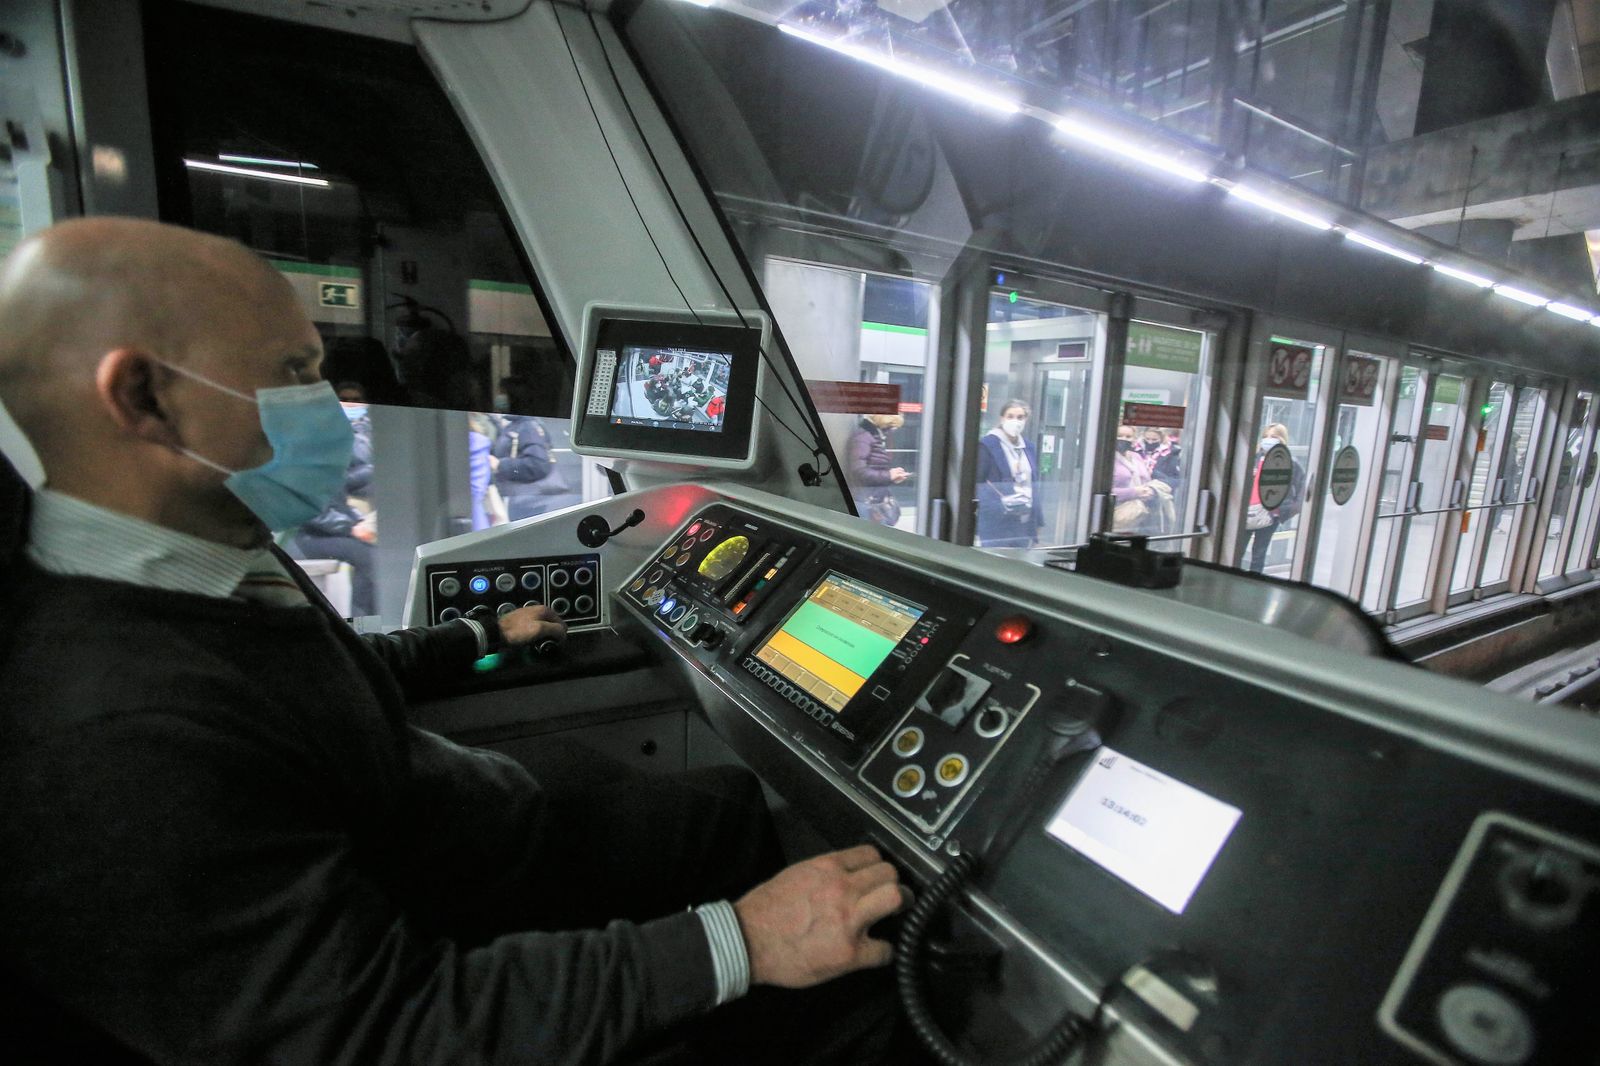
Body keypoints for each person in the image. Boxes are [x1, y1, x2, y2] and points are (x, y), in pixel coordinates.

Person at [0, 219, 909, 1065]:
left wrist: (478, 633)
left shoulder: (212, 550)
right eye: (290, 370)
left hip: (475, 840)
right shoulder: (112, 735)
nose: (332, 404)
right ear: (143, 397)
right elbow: (380, 1030)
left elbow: (335, 682)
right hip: (458, 943)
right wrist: (742, 943)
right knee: (879, 1017)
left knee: (726, 808)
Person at [293, 392, 378, 615]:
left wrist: (358, 521)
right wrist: (351, 528)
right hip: (304, 537)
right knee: (371, 557)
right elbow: (311, 512)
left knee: (374, 553)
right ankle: (365, 625)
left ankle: (368, 621)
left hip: (321, 532)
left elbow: (335, 502)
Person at [493, 377, 582, 520]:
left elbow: (538, 464)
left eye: (502, 392)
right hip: (523, 501)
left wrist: (500, 465)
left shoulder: (527, 427)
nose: (498, 397)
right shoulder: (515, 425)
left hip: (529, 502)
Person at [1242, 422, 1305, 573]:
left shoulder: (1290, 463)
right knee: (1237, 552)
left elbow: (1303, 487)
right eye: (1265, 437)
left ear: (1282, 439)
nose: (1268, 440)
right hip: (1247, 511)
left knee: (1259, 555)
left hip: (1269, 514)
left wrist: (1288, 509)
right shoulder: (1253, 458)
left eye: (1274, 437)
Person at [975, 400, 1039, 547]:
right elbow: (978, 483)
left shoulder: (1028, 447)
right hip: (997, 522)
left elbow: (1033, 484)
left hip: (1023, 522)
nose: (1015, 421)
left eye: (1020, 417)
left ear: (1026, 420)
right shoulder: (988, 445)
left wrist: (1037, 522)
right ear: (1002, 418)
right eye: (1010, 416)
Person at [847, 412, 909, 526]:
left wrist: (891, 477)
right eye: (891, 426)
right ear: (883, 421)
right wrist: (889, 475)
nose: (892, 430)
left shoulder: (872, 437)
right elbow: (858, 472)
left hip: (872, 501)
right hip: (867, 504)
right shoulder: (863, 437)